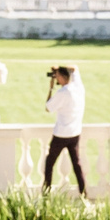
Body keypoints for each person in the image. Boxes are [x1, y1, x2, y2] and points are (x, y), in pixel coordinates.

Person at [43, 65, 87, 196]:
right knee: (77, 165)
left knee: (49, 163)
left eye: (57, 76)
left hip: (61, 134)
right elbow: (75, 68)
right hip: (75, 133)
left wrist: (51, 87)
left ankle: (46, 194)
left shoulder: (62, 93)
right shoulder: (78, 88)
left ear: (62, 77)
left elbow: (48, 107)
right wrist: (59, 68)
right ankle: (84, 193)